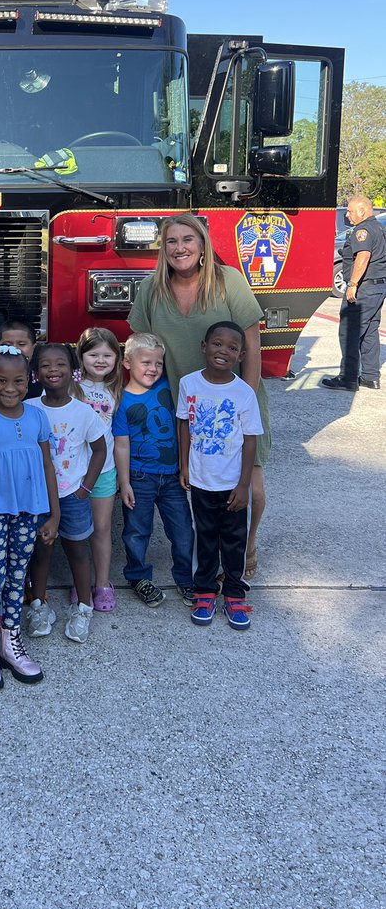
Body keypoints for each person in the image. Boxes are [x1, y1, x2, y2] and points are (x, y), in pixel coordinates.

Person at [127, 213, 270, 579]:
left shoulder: (229, 282)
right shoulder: (151, 289)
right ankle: (210, 557)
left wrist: (246, 402)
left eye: (188, 239)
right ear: (164, 249)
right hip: (185, 408)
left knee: (248, 485)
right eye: (171, 241)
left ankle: (246, 548)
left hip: (236, 399)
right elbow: (143, 348)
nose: (180, 248)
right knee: (201, 485)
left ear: (203, 244)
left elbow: (252, 348)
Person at [0, 346, 60, 690]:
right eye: (1, 380)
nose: (10, 388)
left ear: (29, 380)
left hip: (29, 510)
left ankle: (11, 640)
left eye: (18, 380)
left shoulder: (37, 418)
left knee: (19, 575)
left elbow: (48, 466)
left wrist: (55, 513)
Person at [178, 322, 264, 630]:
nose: (222, 351)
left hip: (232, 485)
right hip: (201, 480)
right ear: (204, 346)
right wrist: (185, 465)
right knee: (205, 538)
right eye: (217, 344)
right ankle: (204, 592)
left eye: (231, 348)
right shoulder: (189, 384)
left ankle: (234, 593)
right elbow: (185, 424)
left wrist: (244, 485)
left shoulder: (243, 393)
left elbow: (251, 439)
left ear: (240, 355)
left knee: (233, 541)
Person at [27, 343, 107, 643]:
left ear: (73, 371)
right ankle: (38, 604)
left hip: (72, 495)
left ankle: (84, 607)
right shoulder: (30, 409)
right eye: (45, 365)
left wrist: (85, 488)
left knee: (77, 551)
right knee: (40, 551)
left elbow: (100, 449)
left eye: (60, 364)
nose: (53, 371)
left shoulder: (83, 412)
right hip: (37, 498)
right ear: (35, 373)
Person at [112, 333, 195, 607]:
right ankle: (138, 577)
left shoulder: (167, 389)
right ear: (127, 363)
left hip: (171, 476)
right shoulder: (121, 402)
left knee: (183, 531)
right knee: (137, 531)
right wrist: (124, 484)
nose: (153, 369)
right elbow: (121, 446)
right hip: (140, 477)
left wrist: (184, 466)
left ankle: (186, 578)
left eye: (158, 363)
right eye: (145, 362)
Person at [75, 327, 124, 610]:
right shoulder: (71, 388)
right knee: (77, 531)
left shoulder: (117, 390)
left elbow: (120, 439)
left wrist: (121, 476)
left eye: (108, 355)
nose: (101, 360)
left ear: (117, 359)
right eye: (94, 354)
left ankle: (102, 583)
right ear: (81, 357)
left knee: (102, 529)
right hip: (74, 470)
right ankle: (80, 583)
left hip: (104, 471)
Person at [321, 197, 386, 391]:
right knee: (369, 332)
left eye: (350, 211)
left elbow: (363, 256)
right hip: (377, 287)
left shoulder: (363, 230)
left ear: (363, 211)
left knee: (350, 332)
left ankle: (348, 378)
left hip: (364, 288)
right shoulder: (378, 227)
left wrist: (352, 284)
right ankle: (370, 377)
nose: (347, 215)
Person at [0, 319, 41, 398]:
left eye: (22, 344)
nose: (14, 349)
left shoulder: (42, 377)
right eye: (7, 345)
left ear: (33, 348)